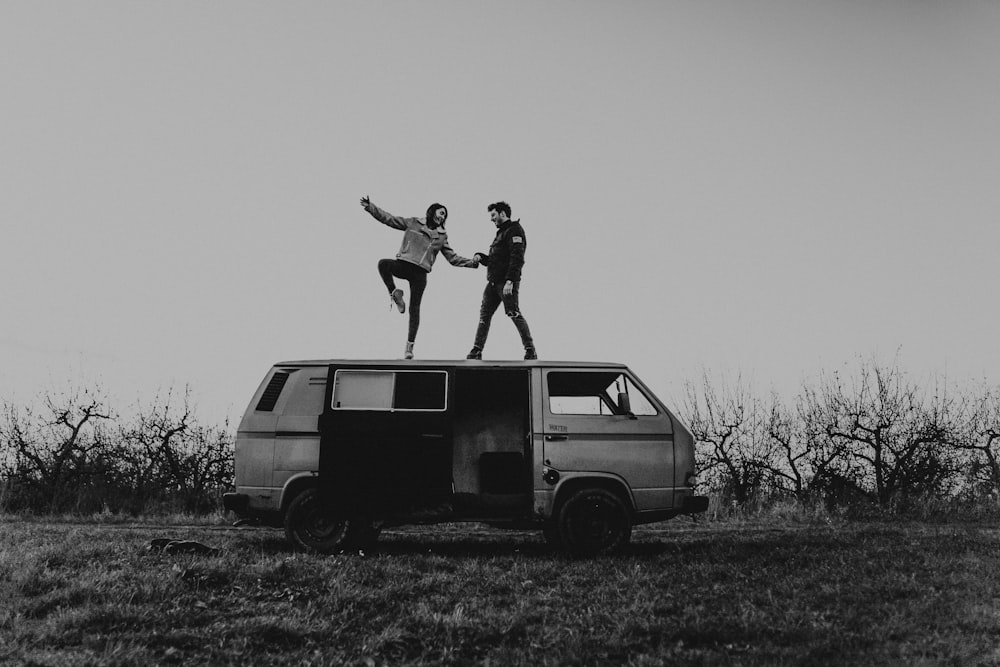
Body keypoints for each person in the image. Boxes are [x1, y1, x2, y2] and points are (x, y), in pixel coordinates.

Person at [360, 195, 479, 359]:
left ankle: (409, 348)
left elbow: (452, 258)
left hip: (420, 274)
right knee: (383, 264)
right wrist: (370, 207)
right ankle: (395, 293)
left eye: (445, 215)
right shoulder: (414, 223)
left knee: (414, 309)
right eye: (441, 212)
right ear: (432, 212)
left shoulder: (441, 236)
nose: (442, 217)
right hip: (404, 263)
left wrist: (471, 263)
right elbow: (390, 219)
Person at [466, 201, 537, 360]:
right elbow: (496, 260)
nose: (491, 219)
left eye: (493, 215)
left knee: (513, 313)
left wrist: (510, 281)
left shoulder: (514, 230)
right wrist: (481, 257)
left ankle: (530, 350)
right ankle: (476, 350)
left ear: (502, 213)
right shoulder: (501, 233)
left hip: (505, 283)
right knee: (484, 317)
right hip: (492, 283)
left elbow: (517, 257)